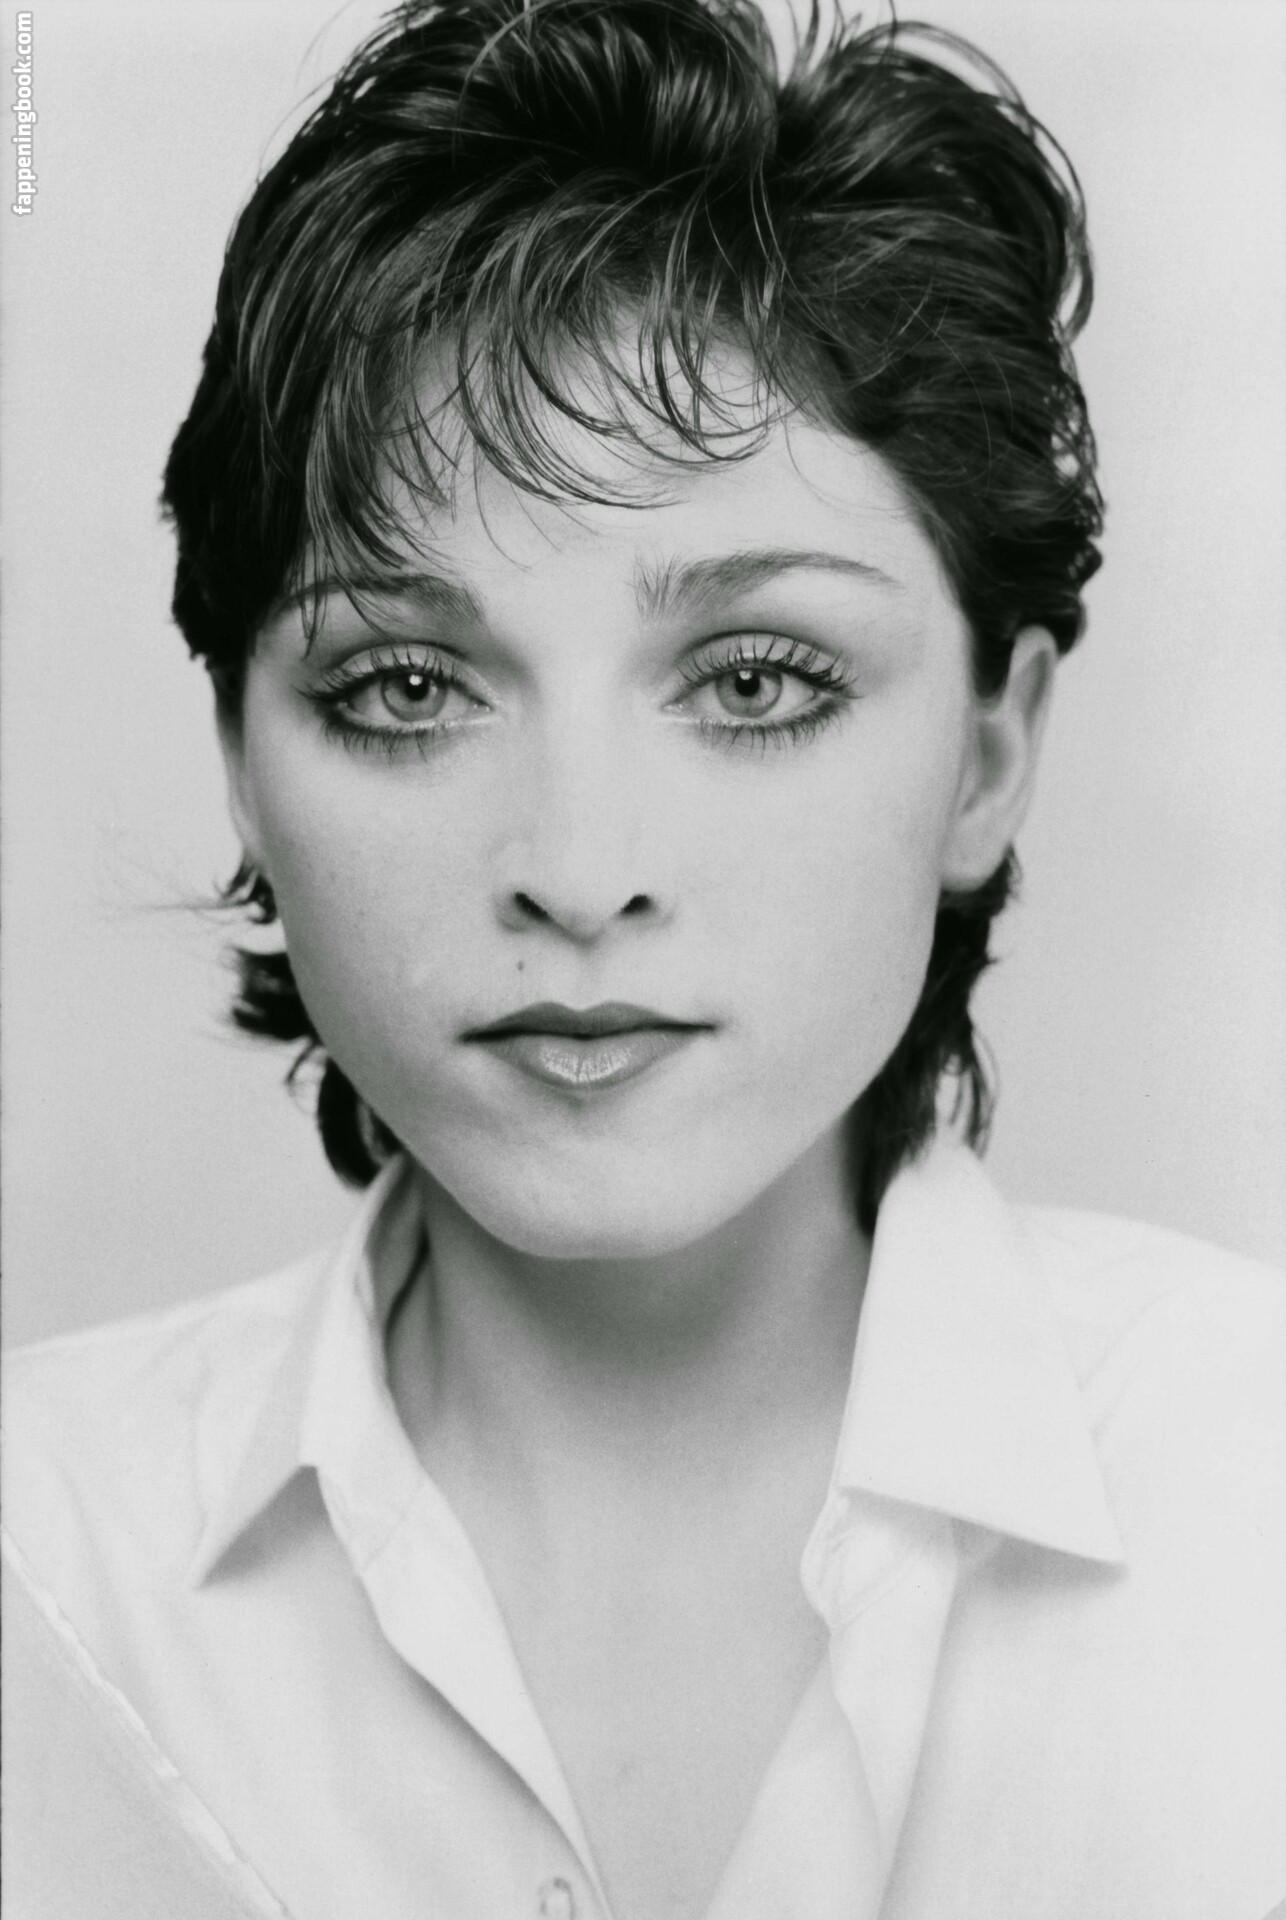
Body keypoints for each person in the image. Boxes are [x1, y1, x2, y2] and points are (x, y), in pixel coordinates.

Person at [3, 1, 1283, 1916]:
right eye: (406, 686)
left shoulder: (1251, 1497)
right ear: (243, 768)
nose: (580, 875)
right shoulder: (37, 1550)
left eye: (756, 680)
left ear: (988, 751)